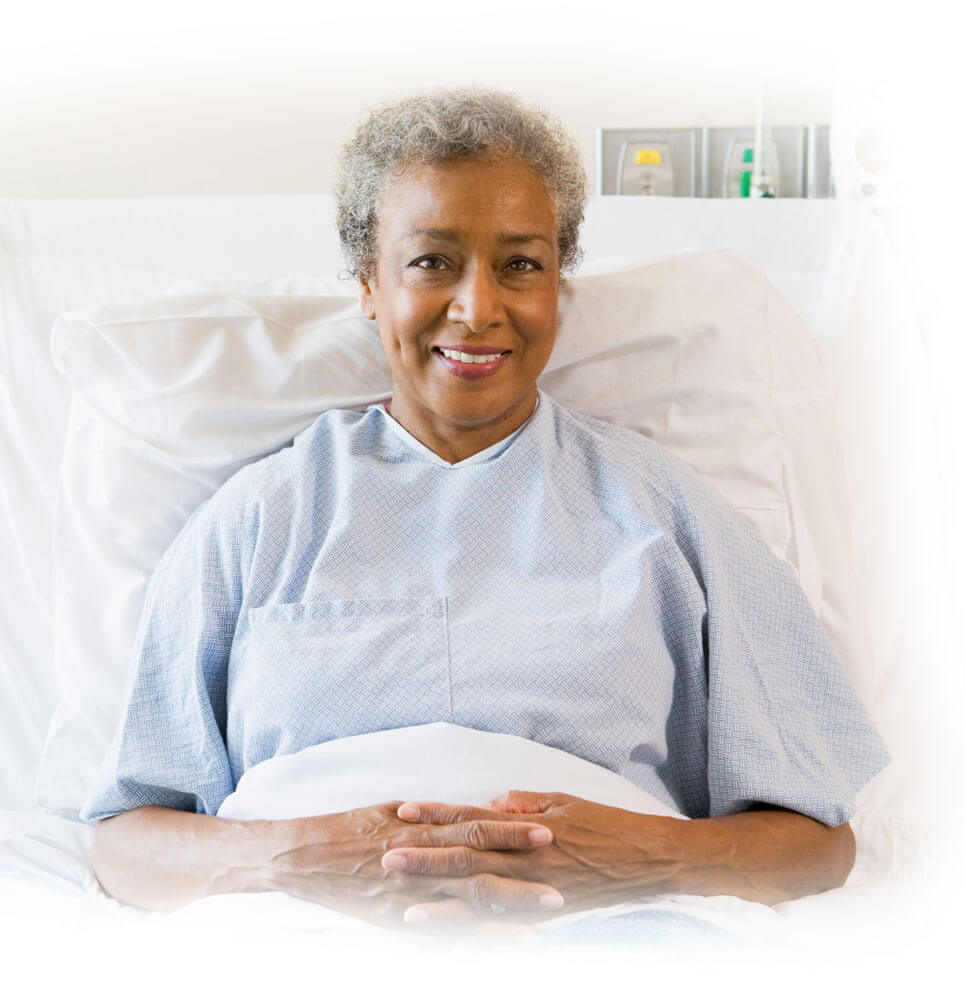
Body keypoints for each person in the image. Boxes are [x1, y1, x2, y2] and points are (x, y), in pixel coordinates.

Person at [82, 87, 888, 932]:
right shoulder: (258, 520)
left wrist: (643, 859)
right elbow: (124, 844)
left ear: (556, 287)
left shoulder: (669, 516)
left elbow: (820, 844)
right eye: (432, 261)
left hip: (613, 935)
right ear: (368, 284)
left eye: (521, 264)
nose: (478, 307)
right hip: (300, 934)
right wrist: (298, 858)